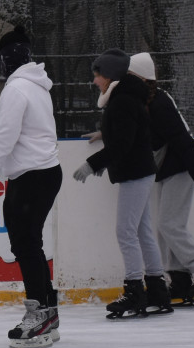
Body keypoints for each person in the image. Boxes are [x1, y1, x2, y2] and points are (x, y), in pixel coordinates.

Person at [0, 26, 62, 348]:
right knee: (29, 242)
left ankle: (38, 313)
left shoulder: (16, 90)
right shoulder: (38, 86)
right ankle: (47, 311)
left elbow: (4, 137)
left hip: (32, 177)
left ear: (6, 60)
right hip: (44, 173)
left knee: (25, 242)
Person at [73, 49, 171, 318]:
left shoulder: (123, 100)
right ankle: (157, 290)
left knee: (126, 232)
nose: (95, 81)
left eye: (98, 75)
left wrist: (93, 163)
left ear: (111, 75)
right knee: (141, 231)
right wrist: (105, 141)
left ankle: (134, 292)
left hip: (135, 173)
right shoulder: (126, 97)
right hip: (139, 170)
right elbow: (127, 135)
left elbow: (123, 144)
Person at [130, 52, 194, 304]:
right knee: (165, 227)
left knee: (170, 225)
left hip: (181, 169)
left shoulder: (160, 103)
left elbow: (182, 138)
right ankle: (180, 280)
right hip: (165, 170)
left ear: (140, 78)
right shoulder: (143, 101)